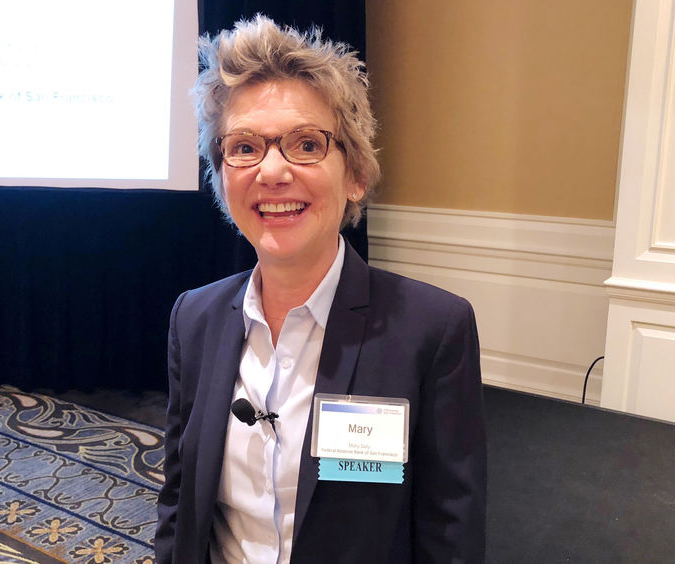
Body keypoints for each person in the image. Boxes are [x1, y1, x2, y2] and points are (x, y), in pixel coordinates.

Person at [155, 15, 486, 564]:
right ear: (221, 176)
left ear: (355, 173)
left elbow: (451, 532)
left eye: (306, 144)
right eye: (243, 147)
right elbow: (179, 501)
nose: (272, 171)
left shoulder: (431, 330)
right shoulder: (195, 318)